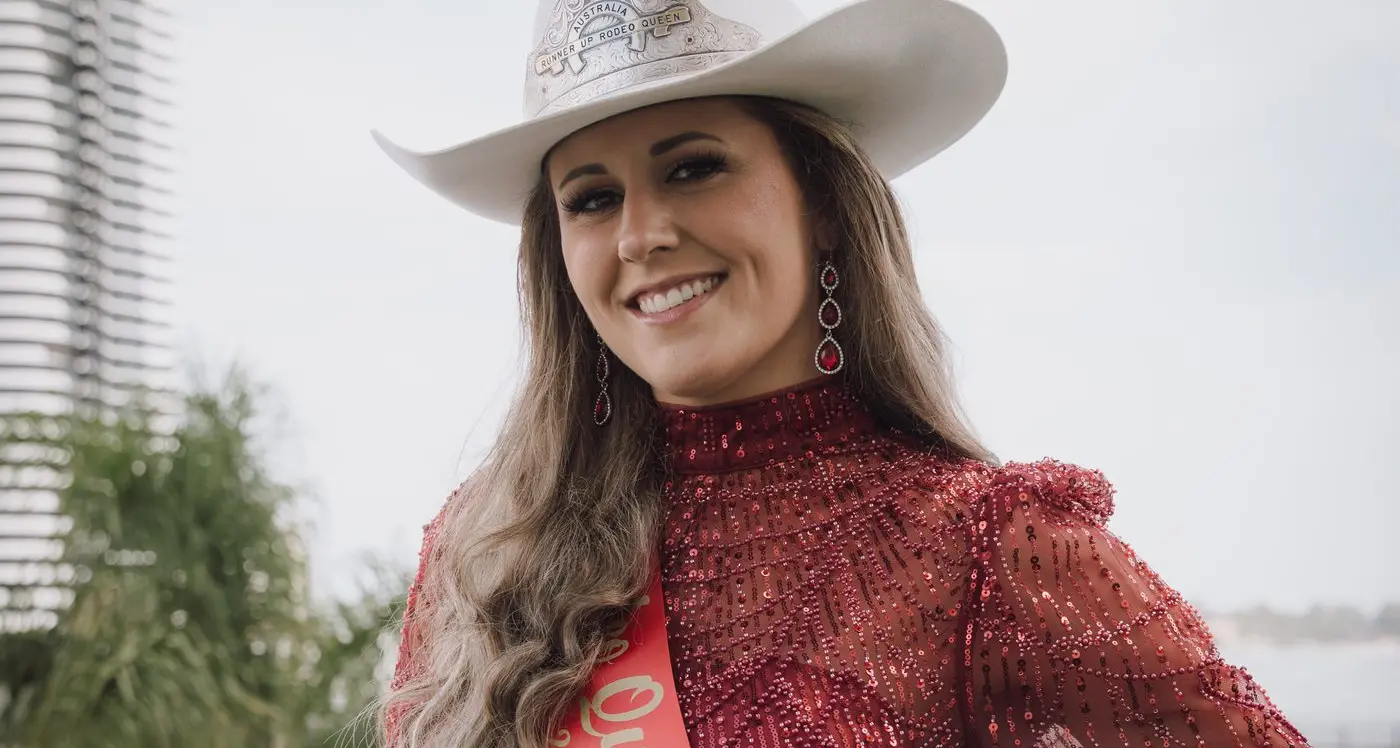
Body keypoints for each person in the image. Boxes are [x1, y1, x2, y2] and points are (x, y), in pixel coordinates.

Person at [372, 1, 1311, 746]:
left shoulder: (992, 550)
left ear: (822, 200)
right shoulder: (488, 550)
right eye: (592, 198)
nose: (640, 233)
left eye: (694, 168)